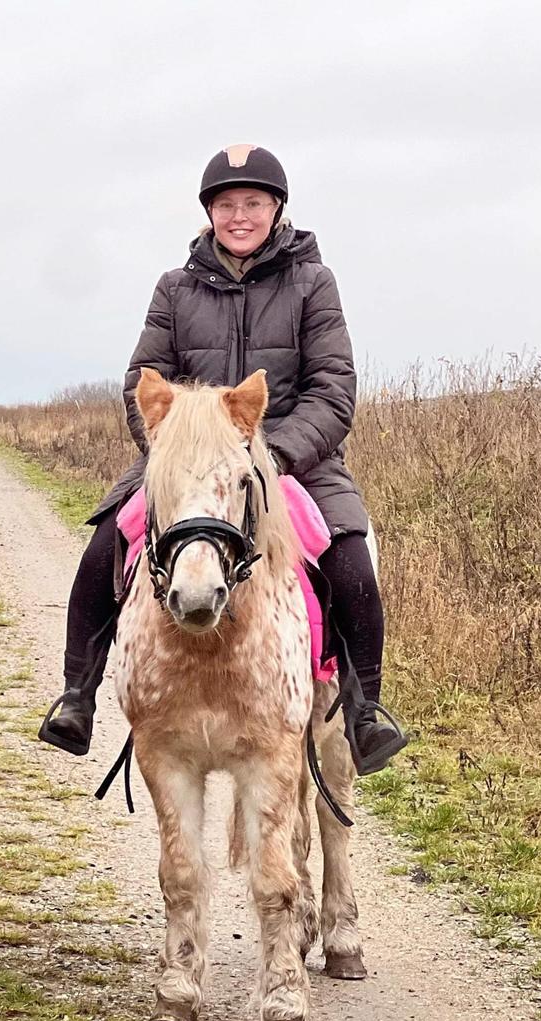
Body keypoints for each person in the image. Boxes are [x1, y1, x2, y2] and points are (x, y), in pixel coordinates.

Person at [38, 144, 408, 776]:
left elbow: (333, 389)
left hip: (298, 459)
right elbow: (142, 383)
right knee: (104, 546)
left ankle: (364, 708)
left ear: (276, 209)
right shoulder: (174, 289)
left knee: (349, 561)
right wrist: (176, 448)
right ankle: (78, 696)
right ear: (210, 212)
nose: (241, 216)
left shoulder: (313, 283)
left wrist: (271, 455)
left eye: (254, 203)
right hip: (189, 461)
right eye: (227, 204)